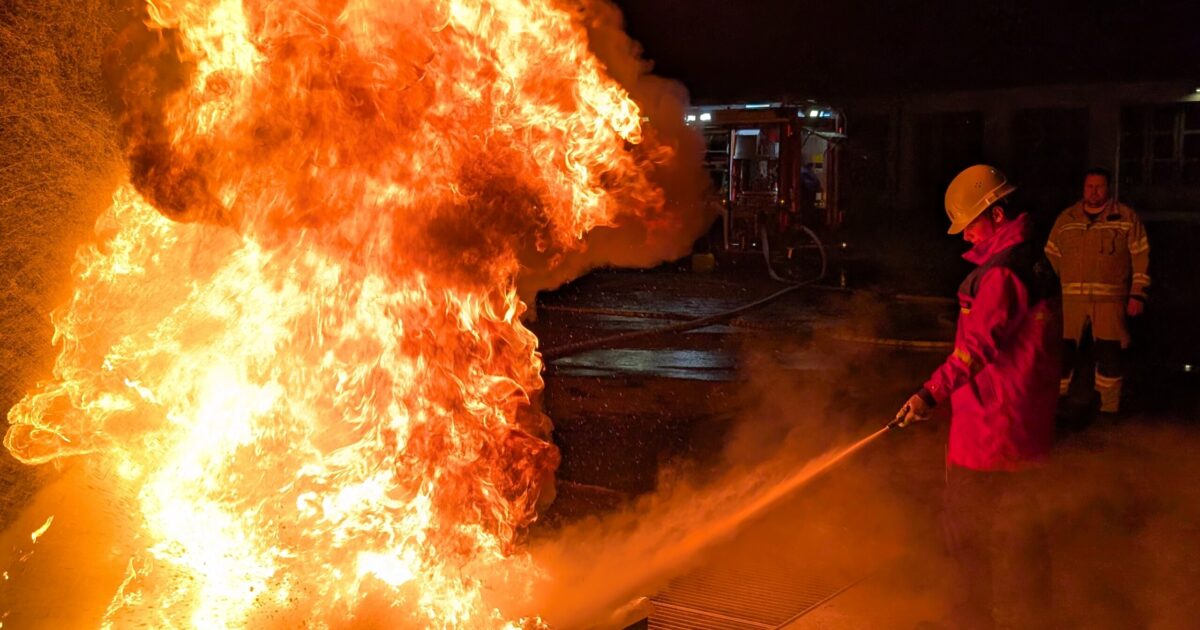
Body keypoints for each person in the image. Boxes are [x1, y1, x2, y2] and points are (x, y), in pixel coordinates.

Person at [894, 164, 1060, 629]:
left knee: (967, 536)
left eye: (970, 224)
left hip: (991, 430)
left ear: (997, 214)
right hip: (1021, 424)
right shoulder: (1032, 260)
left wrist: (928, 394)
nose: (966, 236)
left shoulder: (1002, 275)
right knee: (1023, 531)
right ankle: (1038, 615)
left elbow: (975, 351)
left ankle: (971, 621)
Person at [1044, 167, 1150, 414]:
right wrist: (1062, 285)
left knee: (1110, 354)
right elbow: (1052, 255)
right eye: (1089, 186)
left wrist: (1138, 294)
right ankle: (1056, 405)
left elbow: (1141, 257)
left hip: (1110, 302)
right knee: (1063, 353)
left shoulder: (1126, 217)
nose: (1094, 191)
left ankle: (1108, 408)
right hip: (1071, 302)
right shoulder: (1066, 219)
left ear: (1108, 188)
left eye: (1099, 186)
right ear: (1083, 188)